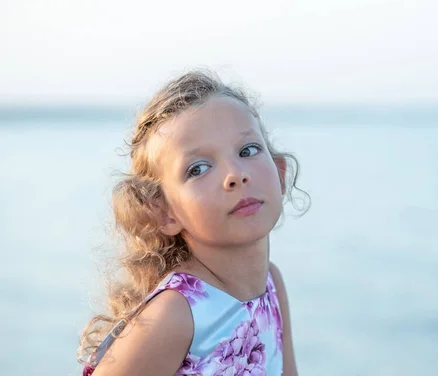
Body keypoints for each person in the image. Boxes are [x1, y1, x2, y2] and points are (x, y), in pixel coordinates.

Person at [77, 70, 309, 376]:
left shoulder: (271, 283)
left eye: (248, 150)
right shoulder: (176, 314)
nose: (235, 174)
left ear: (280, 174)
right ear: (164, 212)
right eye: (198, 168)